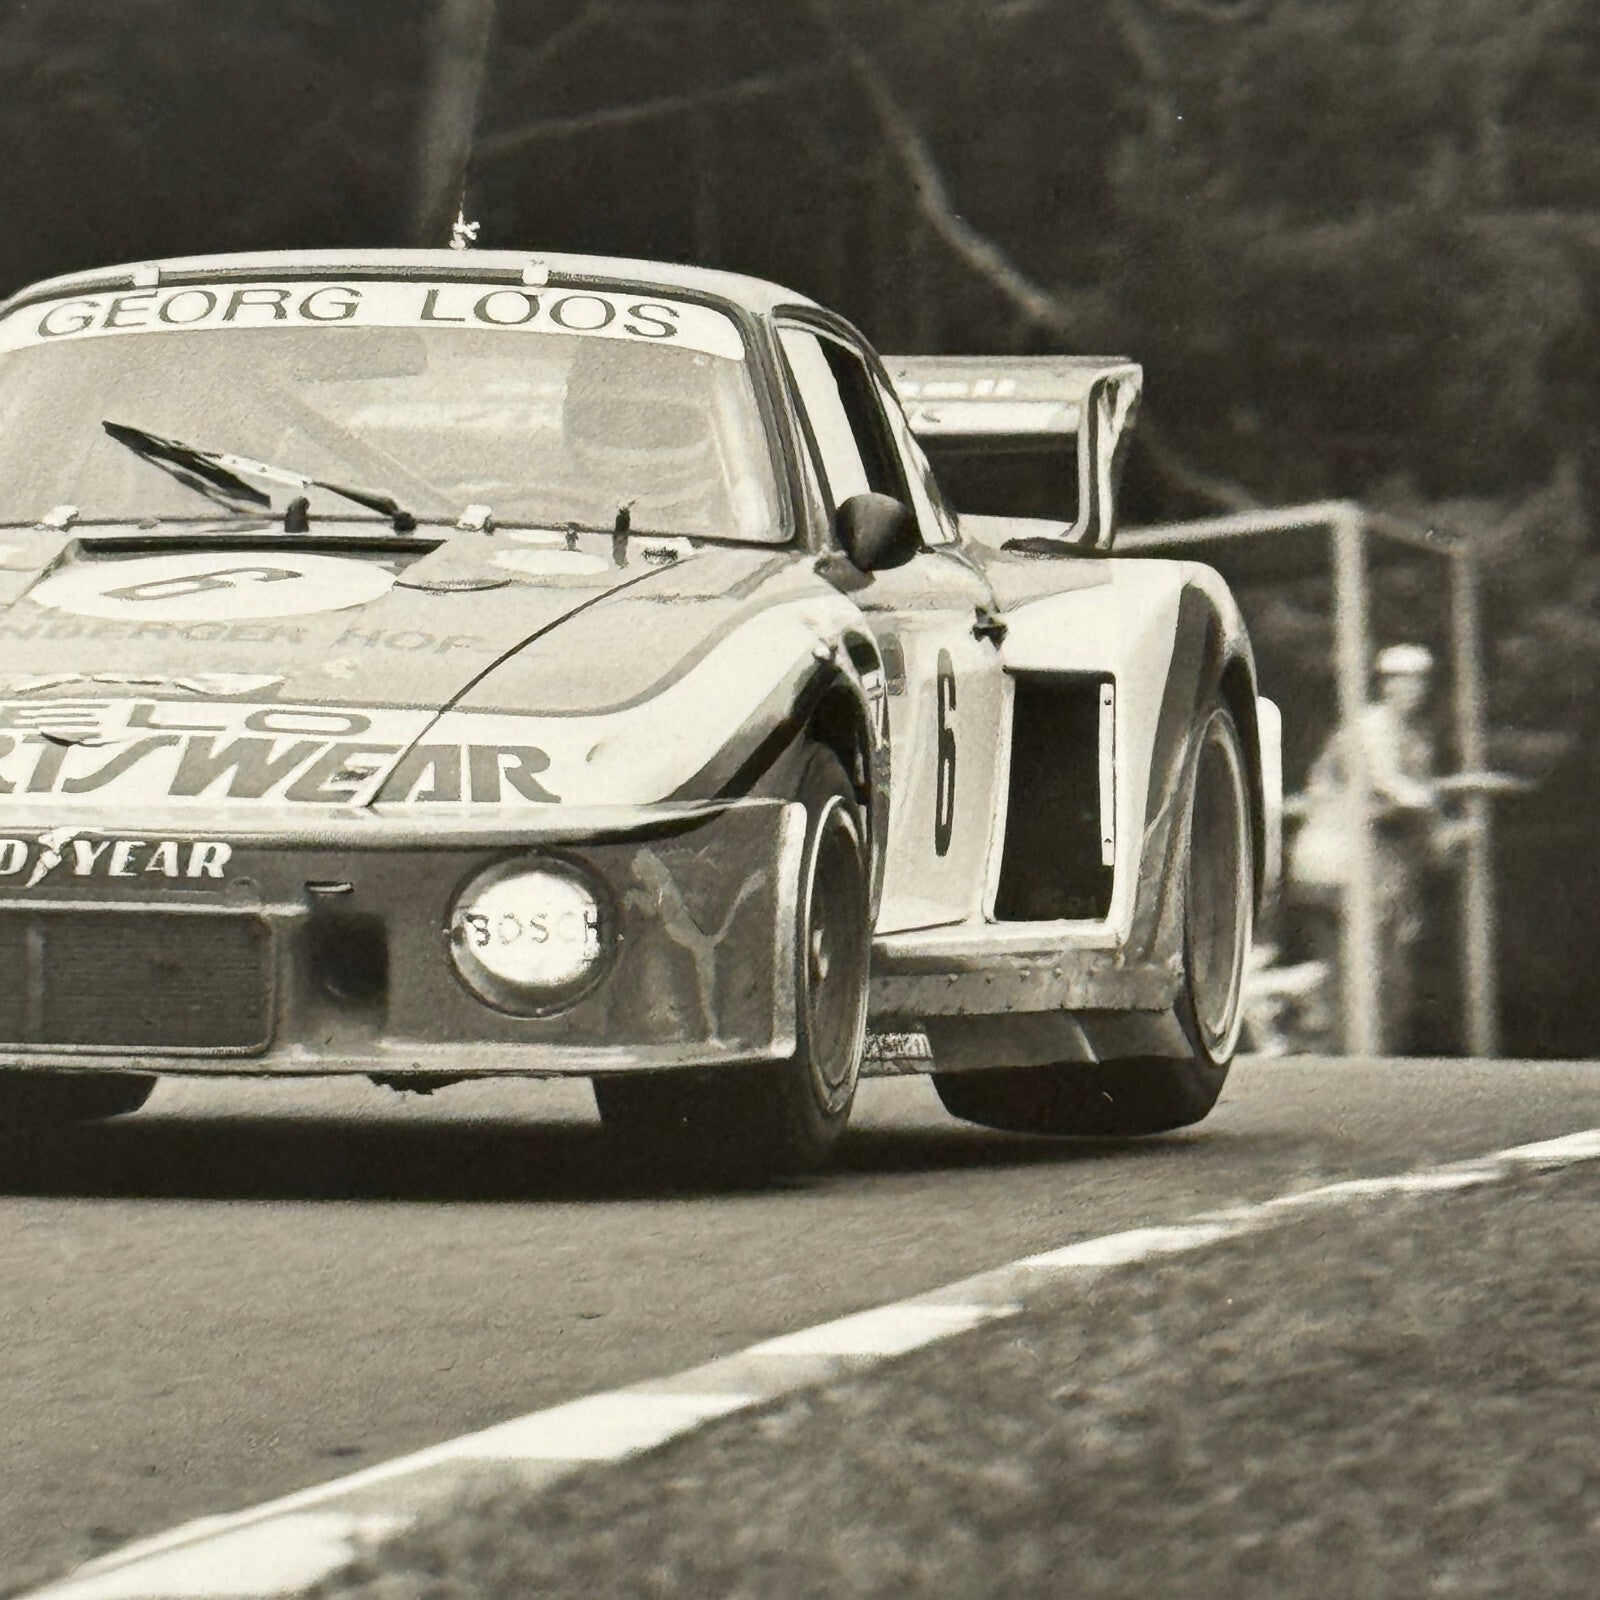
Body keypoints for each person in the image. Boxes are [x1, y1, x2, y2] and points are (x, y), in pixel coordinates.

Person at [1284, 643, 1460, 1053]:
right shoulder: (1372, 728)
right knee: (1361, 972)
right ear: (1386, 685)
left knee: (1378, 971)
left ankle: (1351, 1052)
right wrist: (1437, 805)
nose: (1411, 690)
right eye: (1400, 681)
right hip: (1337, 864)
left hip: (1365, 869)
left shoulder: (1411, 737)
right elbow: (1392, 790)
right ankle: (1346, 1054)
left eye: (1417, 681)